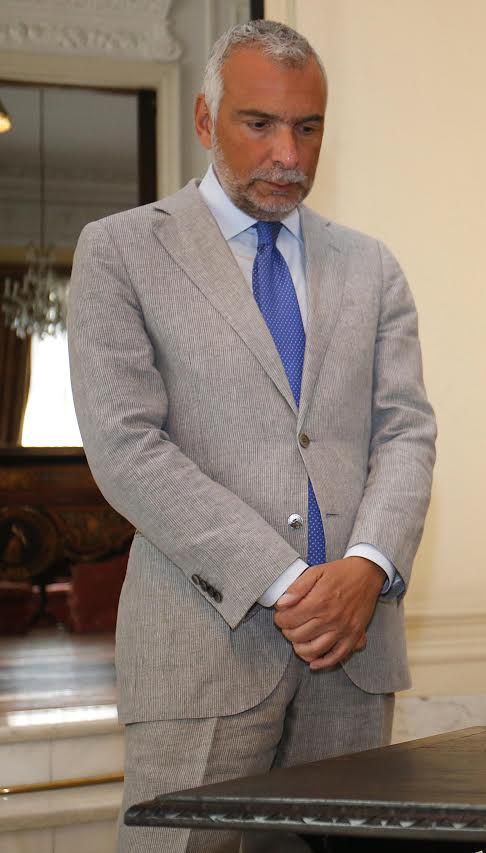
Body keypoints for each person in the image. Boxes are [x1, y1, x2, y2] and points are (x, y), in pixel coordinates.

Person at [67, 20, 437, 853]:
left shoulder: (370, 267)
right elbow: (127, 446)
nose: (289, 154)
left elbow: (407, 431)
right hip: (200, 652)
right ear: (205, 121)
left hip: (354, 654)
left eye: (308, 127)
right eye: (259, 124)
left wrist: (366, 568)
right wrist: (284, 580)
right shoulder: (121, 252)